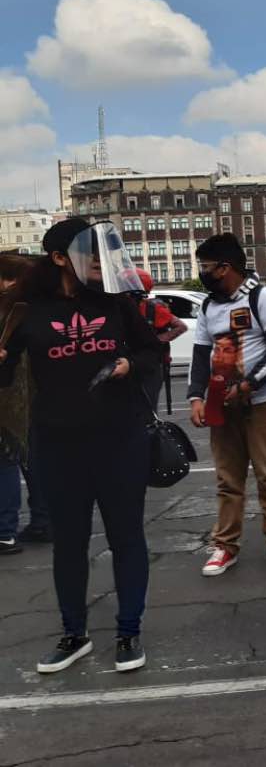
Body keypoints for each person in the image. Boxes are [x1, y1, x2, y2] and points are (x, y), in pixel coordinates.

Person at [0, 219, 160, 674]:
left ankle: (129, 632)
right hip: (57, 445)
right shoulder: (26, 312)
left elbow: (153, 352)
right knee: (68, 544)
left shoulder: (115, 303)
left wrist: (131, 362)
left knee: (127, 538)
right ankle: (74, 634)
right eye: (86, 250)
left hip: (120, 439)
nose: (95, 258)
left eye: (98, 250)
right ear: (57, 258)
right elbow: (5, 377)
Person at [187, 233, 266, 576]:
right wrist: (196, 396)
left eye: (206, 267)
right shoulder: (209, 305)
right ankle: (225, 545)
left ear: (225, 268)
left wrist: (250, 384)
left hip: (263, 401)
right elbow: (201, 352)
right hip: (223, 404)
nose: (204, 273)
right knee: (228, 478)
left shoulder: (262, 297)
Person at [0, 253, 34, 556]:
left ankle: (5, 531)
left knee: (7, 461)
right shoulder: (31, 306)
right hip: (20, 397)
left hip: (10, 396)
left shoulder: (15, 309)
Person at [127, 267, 186, 412]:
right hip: (128, 364)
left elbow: (180, 326)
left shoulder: (152, 309)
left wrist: (156, 340)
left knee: (148, 410)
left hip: (151, 366)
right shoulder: (121, 308)